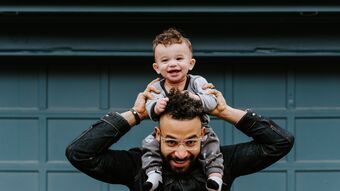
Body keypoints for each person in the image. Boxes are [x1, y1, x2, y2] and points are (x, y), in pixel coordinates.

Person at [65, 79, 294, 191]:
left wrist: (225, 112)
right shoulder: (137, 167)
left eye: (191, 141)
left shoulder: (223, 163)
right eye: (172, 141)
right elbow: (80, 153)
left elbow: (280, 142)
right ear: (158, 135)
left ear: (203, 134)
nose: (181, 153)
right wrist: (137, 114)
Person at [143, 28, 223, 191]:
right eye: (165, 61)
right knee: (148, 144)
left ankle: (214, 176)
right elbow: (149, 106)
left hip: (202, 129)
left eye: (179, 58)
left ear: (191, 63)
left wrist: (198, 98)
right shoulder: (156, 87)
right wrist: (155, 107)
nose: (173, 64)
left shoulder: (197, 82)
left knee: (212, 145)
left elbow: (212, 101)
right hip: (166, 132)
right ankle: (154, 173)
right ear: (157, 67)